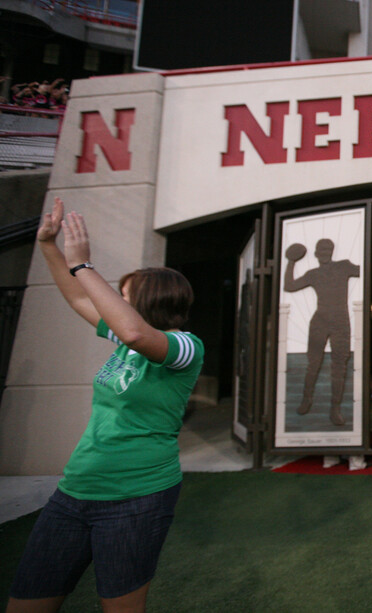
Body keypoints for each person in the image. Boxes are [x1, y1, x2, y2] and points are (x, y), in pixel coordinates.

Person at [7, 198, 203, 613]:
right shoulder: (123, 338)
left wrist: (85, 266)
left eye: (125, 294)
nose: (115, 300)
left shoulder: (185, 347)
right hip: (74, 491)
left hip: (137, 498)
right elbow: (81, 301)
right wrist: (48, 246)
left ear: (149, 302)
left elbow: (133, 332)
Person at [283, 238, 359, 426]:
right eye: (321, 251)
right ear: (316, 254)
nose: (324, 254)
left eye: (327, 251)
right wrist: (291, 262)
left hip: (340, 322)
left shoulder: (344, 266)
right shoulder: (314, 274)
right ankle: (307, 399)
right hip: (320, 321)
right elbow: (289, 286)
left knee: (339, 365)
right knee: (313, 363)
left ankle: (335, 408)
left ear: (331, 252)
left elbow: (364, 270)